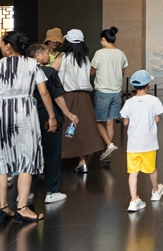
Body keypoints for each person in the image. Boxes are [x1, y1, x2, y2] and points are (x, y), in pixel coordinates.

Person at [0, 31, 57, 223]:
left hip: (0, 113)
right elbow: (44, 92)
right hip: (25, 113)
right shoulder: (32, 64)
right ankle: (22, 207)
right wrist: (52, 115)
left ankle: (4, 207)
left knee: (0, 160)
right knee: (26, 157)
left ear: (7, 46)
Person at [27, 43, 78, 203]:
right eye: (47, 54)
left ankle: (26, 190)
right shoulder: (49, 72)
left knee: (30, 155)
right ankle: (52, 190)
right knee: (52, 154)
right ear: (37, 55)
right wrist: (68, 114)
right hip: (48, 118)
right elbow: (57, 96)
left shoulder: (21, 72)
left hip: (27, 117)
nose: (49, 57)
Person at [51, 29, 104, 173]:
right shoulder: (85, 59)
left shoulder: (63, 57)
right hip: (84, 97)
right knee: (82, 129)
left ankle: (55, 160)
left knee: (64, 127)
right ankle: (82, 161)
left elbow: (50, 72)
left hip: (67, 96)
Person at [120, 70, 163, 212]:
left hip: (133, 145)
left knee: (133, 172)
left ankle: (133, 200)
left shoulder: (129, 102)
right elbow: (157, 119)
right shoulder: (154, 100)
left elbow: (125, 122)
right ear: (149, 84)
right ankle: (155, 191)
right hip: (149, 143)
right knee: (152, 168)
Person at [91, 26, 128, 162]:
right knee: (110, 122)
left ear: (103, 39)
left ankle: (109, 145)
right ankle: (108, 149)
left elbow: (92, 71)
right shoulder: (121, 54)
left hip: (103, 91)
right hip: (116, 91)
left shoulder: (100, 53)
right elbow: (122, 72)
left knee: (98, 121)